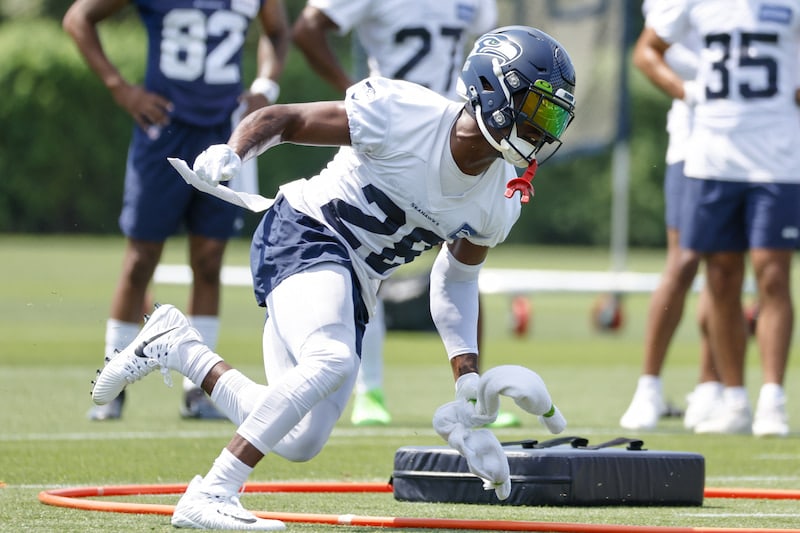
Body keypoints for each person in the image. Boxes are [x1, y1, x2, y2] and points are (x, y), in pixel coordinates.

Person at [91, 25, 577, 529]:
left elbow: (455, 281)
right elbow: (287, 119)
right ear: (496, 91)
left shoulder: (501, 198)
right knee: (332, 358)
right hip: (306, 230)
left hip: (358, 281)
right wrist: (235, 151)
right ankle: (211, 493)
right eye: (539, 110)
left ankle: (180, 348)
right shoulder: (407, 114)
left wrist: (467, 378)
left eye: (555, 117)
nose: (544, 130)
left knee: (300, 440)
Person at [291, 0, 521, 428]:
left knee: (467, 260)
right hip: (400, 133)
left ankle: (472, 391)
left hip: (459, 134)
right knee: (369, 259)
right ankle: (369, 389)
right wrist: (350, 89)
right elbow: (307, 28)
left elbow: (491, 49)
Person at [63, 0, 290, 420]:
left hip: (224, 134)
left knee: (208, 261)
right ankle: (113, 382)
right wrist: (120, 87)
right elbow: (78, 18)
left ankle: (198, 391)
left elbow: (277, 31)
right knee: (141, 259)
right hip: (162, 131)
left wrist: (266, 86)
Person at [634, 0, 800, 436]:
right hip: (712, 155)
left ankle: (772, 399)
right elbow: (647, 50)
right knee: (722, 276)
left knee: (773, 274)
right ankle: (733, 397)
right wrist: (687, 91)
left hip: (777, 157)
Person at [619, 0, 725, 432]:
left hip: (754, 139)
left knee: (727, 265)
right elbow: (652, 50)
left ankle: (710, 386)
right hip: (695, 136)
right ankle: (649, 386)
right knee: (683, 261)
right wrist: (702, 87)